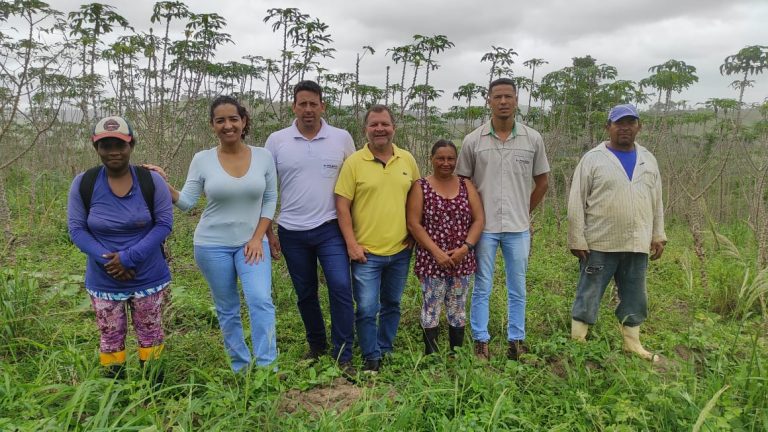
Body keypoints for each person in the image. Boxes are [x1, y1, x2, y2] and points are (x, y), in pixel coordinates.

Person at [148, 96, 278, 372]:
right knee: (227, 309)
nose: (228, 125)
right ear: (212, 126)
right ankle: (240, 367)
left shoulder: (264, 156)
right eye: (221, 120)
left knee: (260, 300)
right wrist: (163, 184)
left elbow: (270, 199)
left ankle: (267, 370)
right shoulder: (202, 159)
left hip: (252, 243)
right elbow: (186, 202)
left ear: (244, 122)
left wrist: (258, 238)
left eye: (233, 119)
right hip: (211, 245)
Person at [68, 116, 173, 378]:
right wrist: (110, 261)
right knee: (110, 337)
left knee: (151, 334)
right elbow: (77, 230)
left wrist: (128, 258)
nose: (113, 151)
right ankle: (115, 395)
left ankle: (154, 392)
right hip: (104, 279)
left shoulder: (151, 182)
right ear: (96, 148)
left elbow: (163, 225)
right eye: (106, 145)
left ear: (131, 145)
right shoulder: (84, 183)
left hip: (148, 275)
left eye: (120, 144)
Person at [264, 81, 356, 374]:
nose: (307, 109)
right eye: (301, 103)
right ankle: (317, 345)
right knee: (305, 292)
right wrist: (268, 230)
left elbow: (354, 184)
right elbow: (266, 188)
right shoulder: (277, 141)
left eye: (313, 104)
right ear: (293, 106)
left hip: (331, 228)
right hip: (291, 230)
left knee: (341, 287)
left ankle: (344, 353)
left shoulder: (341, 138)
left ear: (322, 106)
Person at [456, 77, 550, 361]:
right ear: (489, 101)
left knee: (517, 286)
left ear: (517, 100)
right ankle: (480, 341)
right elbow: (463, 182)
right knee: (482, 284)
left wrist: (525, 210)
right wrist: (476, 217)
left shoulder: (532, 139)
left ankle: (516, 340)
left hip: (518, 229)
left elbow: (542, 181)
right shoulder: (474, 140)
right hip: (484, 229)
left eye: (508, 96)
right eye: (497, 97)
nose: (503, 102)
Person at [567, 103, 666, 362]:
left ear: (639, 127)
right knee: (589, 292)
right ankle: (578, 340)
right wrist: (577, 237)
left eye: (630, 123)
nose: (625, 128)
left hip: (637, 241)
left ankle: (632, 343)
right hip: (600, 241)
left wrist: (658, 234)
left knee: (635, 294)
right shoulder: (593, 159)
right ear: (607, 127)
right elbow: (576, 199)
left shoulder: (648, 159)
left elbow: (656, 199)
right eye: (619, 123)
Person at [335, 105, 420, 373]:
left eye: (385, 124)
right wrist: (351, 244)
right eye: (374, 124)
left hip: (400, 250)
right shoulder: (353, 163)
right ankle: (372, 356)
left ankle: (386, 347)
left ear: (394, 127)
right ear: (365, 129)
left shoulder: (407, 159)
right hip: (366, 253)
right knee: (368, 308)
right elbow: (341, 206)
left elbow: (418, 199)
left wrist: (416, 233)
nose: (380, 129)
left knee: (392, 303)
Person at [406, 140, 484, 355]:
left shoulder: (466, 185)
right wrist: (436, 252)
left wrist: (465, 248)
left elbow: (478, 220)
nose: (446, 163)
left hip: (462, 259)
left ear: (456, 160)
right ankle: (431, 355)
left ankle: (455, 353)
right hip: (431, 260)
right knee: (431, 306)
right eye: (440, 158)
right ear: (432, 159)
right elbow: (414, 223)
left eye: (450, 158)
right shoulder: (421, 186)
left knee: (457, 307)